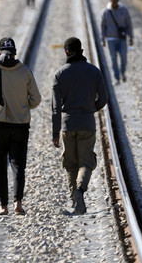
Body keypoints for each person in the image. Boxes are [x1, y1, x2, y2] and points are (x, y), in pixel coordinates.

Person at [0, 37, 41, 215]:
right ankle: (17, 204)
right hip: (20, 125)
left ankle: (3, 206)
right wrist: (22, 106)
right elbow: (36, 100)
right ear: (14, 53)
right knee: (18, 165)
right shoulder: (25, 71)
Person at [51, 37, 108, 215]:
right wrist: (91, 108)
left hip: (67, 125)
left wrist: (55, 132)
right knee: (86, 162)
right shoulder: (94, 72)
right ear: (81, 50)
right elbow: (104, 99)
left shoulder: (60, 74)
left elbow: (55, 108)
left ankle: (75, 202)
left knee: (70, 164)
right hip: (87, 123)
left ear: (66, 52)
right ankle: (79, 191)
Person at [100, 0, 134, 84]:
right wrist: (102, 39)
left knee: (124, 57)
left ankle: (122, 73)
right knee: (113, 59)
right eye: (112, 1)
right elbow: (103, 26)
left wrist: (131, 37)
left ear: (118, 1)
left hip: (122, 38)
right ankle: (117, 78)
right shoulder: (106, 12)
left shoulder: (124, 10)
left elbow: (129, 24)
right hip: (111, 39)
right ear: (110, 1)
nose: (114, 3)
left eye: (115, 1)